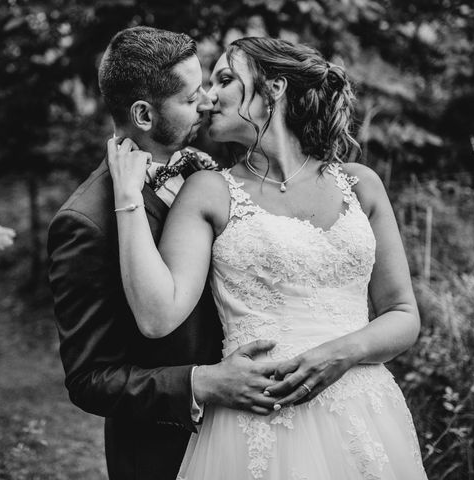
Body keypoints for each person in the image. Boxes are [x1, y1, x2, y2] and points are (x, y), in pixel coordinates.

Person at [108, 37, 428, 479]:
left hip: (366, 409)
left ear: (274, 89)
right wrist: (126, 199)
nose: (208, 97)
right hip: (260, 421)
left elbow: (403, 314)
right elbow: (157, 315)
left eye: (225, 80)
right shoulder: (209, 190)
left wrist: (342, 353)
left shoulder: (361, 185)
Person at [48, 28, 297, 480]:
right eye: (189, 98)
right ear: (143, 114)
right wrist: (200, 382)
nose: (206, 101)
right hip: (165, 453)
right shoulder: (86, 222)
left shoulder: (208, 165)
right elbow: (89, 380)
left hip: (258, 435)